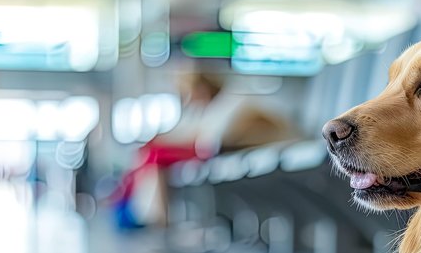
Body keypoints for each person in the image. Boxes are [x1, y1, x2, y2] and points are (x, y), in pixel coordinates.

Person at [113, 71, 297, 229]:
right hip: (213, 147)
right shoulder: (206, 109)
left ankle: (152, 215)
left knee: (154, 154)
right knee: (150, 153)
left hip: (218, 149)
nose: (190, 98)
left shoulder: (230, 101)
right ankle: (142, 209)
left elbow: (208, 139)